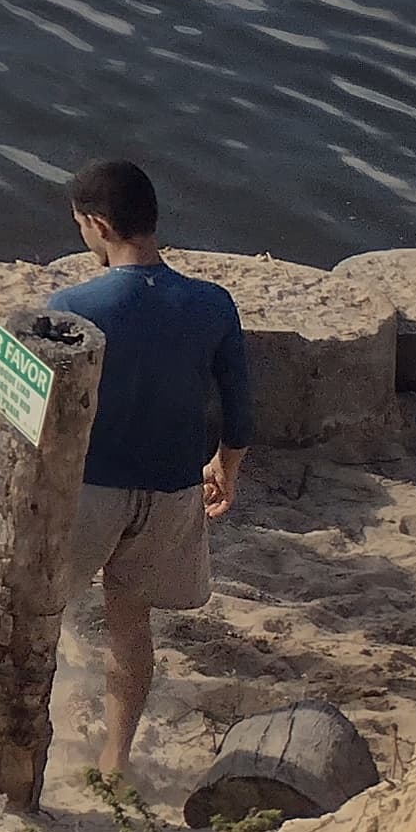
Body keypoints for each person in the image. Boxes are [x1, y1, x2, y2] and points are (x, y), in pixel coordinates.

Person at [48, 157, 252, 786]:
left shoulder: (72, 304)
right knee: (130, 620)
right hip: (172, 490)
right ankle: (116, 758)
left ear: (99, 224)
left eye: (82, 225)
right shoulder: (213, 304)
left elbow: (42, 411)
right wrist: (226, 468)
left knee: (37, 609)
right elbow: (241, 411)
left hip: (90, 488)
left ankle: (27, 732)